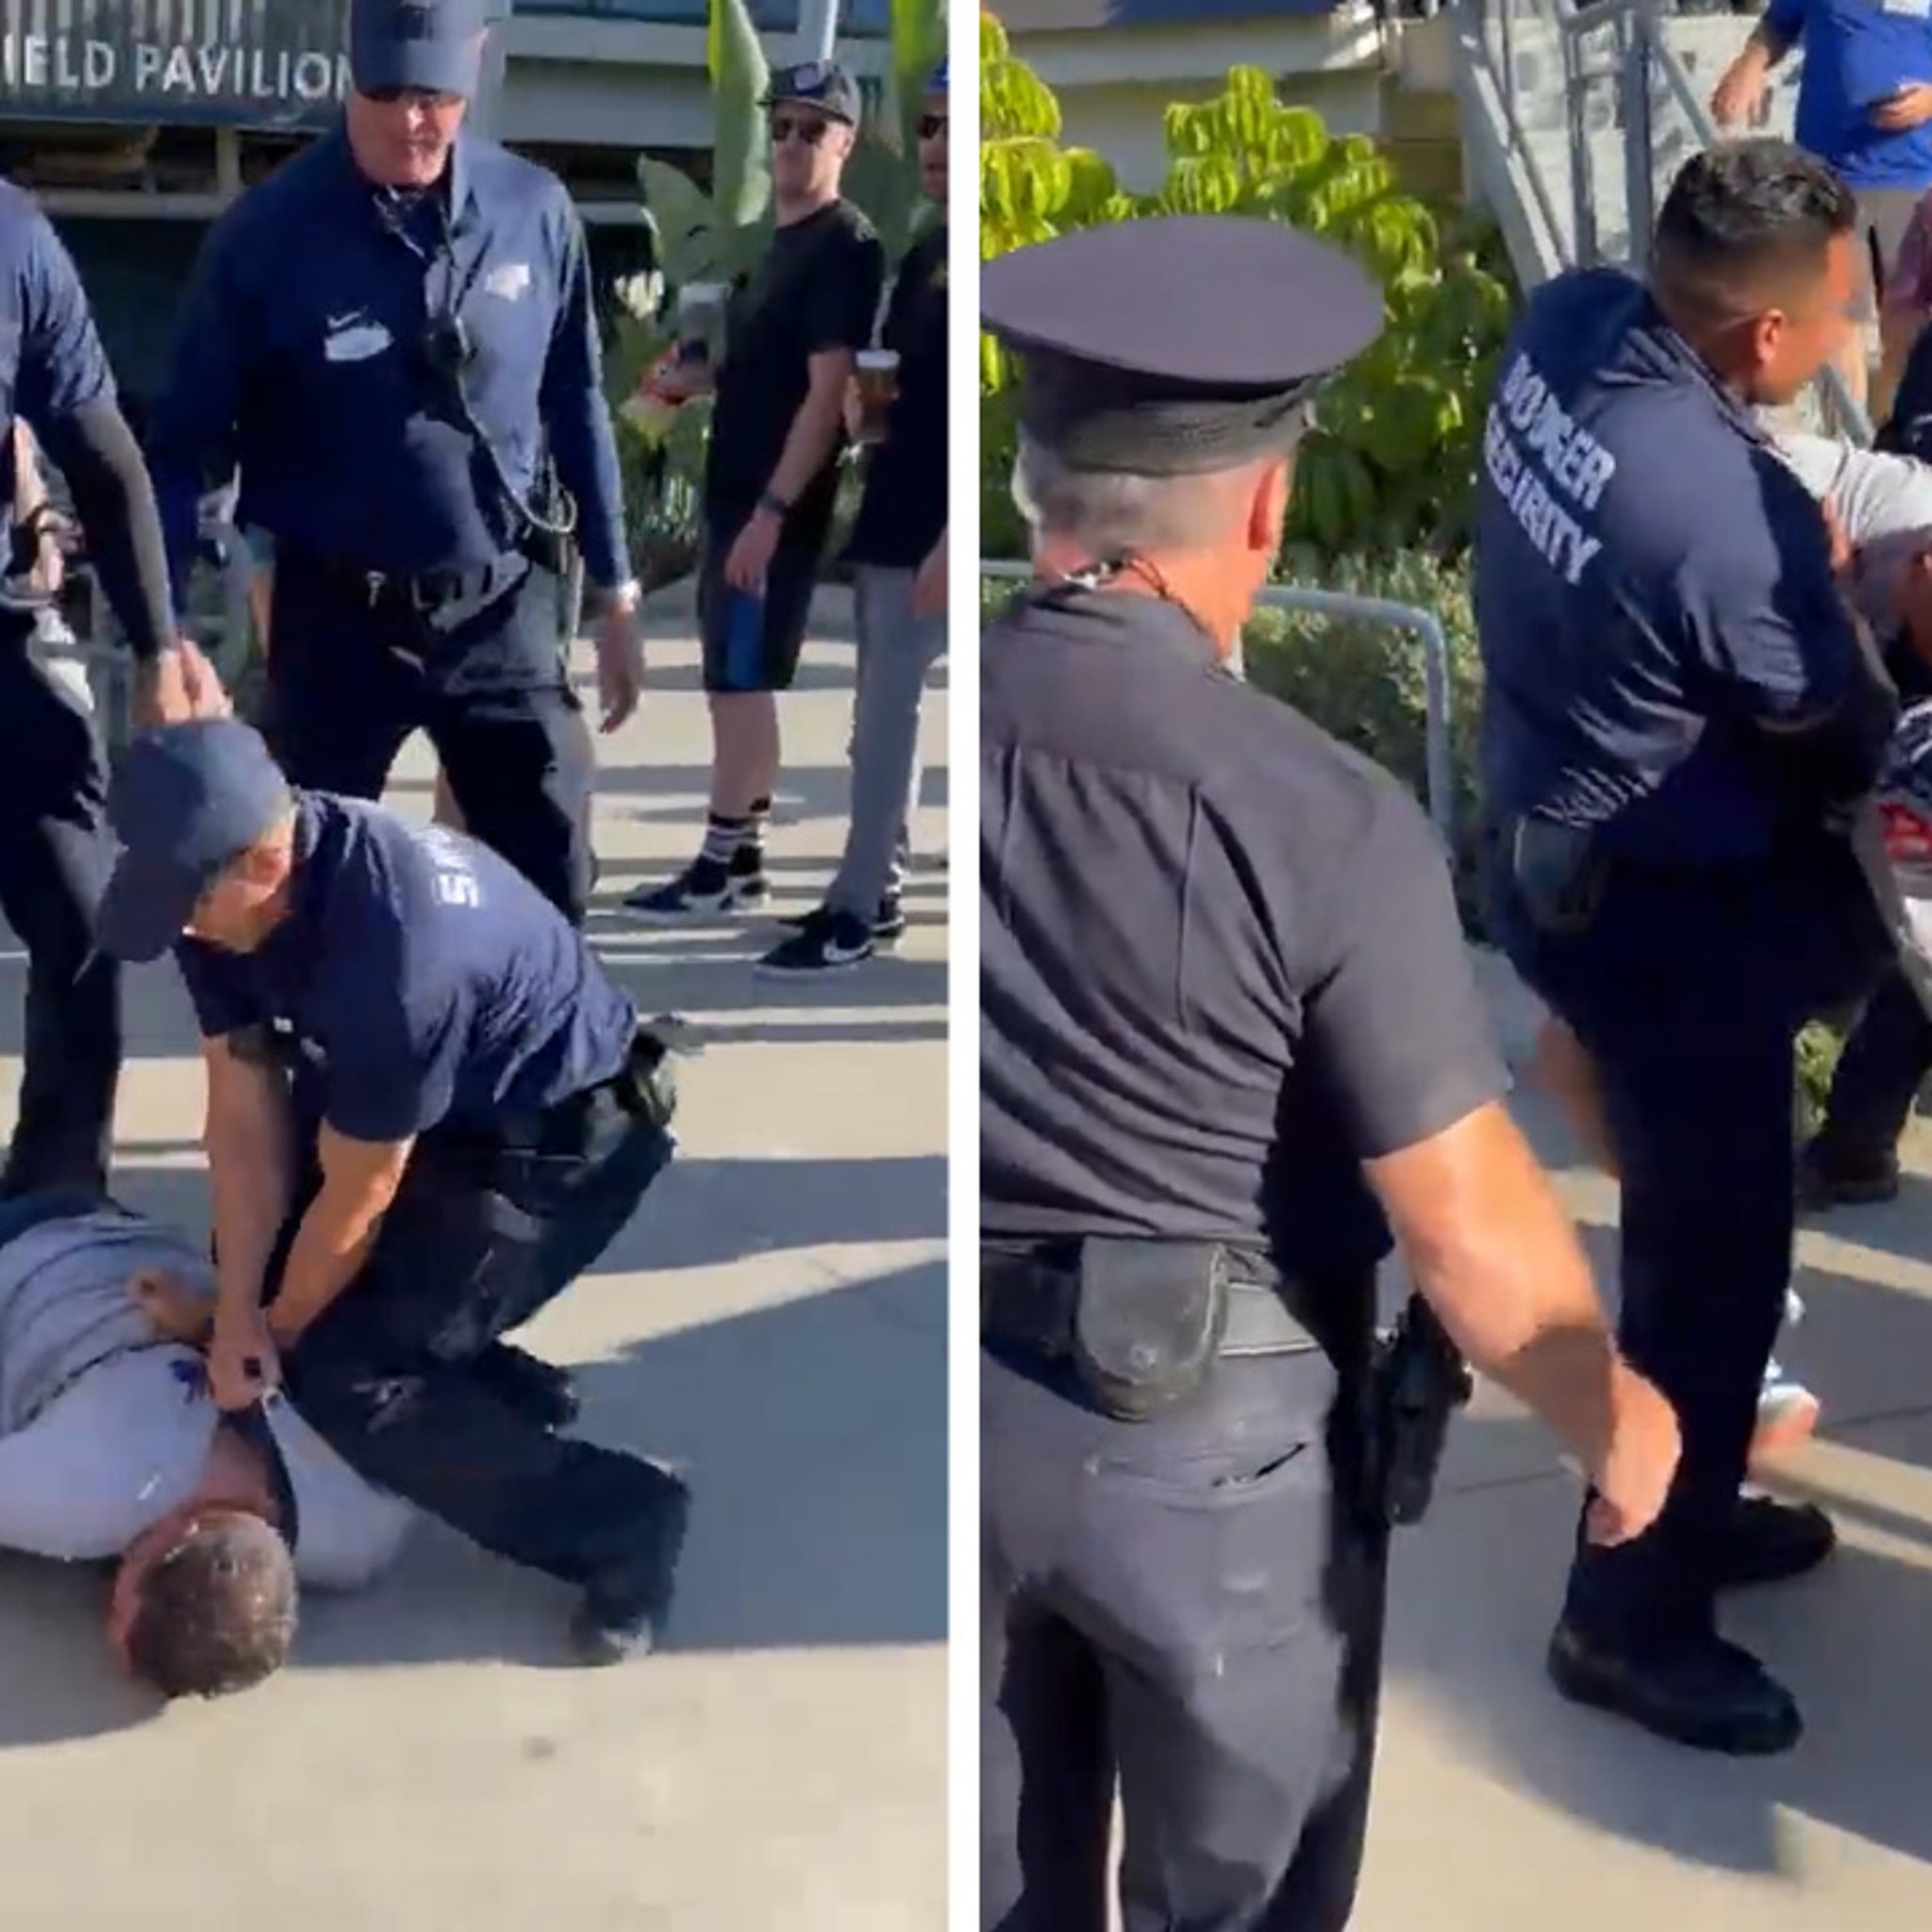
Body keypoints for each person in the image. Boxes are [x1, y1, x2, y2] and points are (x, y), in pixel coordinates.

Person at [981, 214, 1682, 1932]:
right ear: (1266, 509)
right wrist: (1621, 1415)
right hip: (1215, 1463)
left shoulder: (950, 720)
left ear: (1040, 493)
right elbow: (1463, 1232)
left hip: (967, 1413)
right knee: (1244, 1895)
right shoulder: (1319, 812)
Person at [1474, 141, 1906, 1757]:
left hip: (1552, 850)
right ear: (1768, 344)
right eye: (1842, 313)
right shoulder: (1723, 525)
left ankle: (1695, 1496)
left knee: (1692, 1241)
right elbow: (1838, 728)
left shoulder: (1567, 322)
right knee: (1703, 1281)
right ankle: (1624, 1610)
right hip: (1665, 926)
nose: (1858, 333)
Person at [94, 718, 691, 1667]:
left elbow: (360, 1190)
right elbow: (244, 1113)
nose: (176, 925)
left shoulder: (399, 955)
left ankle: (626, 1517)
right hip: (426, 1105)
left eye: (183, 902)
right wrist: (240, 1303)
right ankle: (490, 1374)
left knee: (349, 1374)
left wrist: (274, 1331)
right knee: (284, 1283)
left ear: (264, 856)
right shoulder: (215, 893)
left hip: (559, 1142)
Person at [143, 0, 642, 928]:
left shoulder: (533, 211)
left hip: (499, 606)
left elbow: (575, 401)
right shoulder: (265, 236)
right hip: (337, 622)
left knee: (551, 877)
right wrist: (173, 623)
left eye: (436, 93)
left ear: (475, 70)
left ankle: (533, 1065)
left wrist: (615, 588)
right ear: (349, 73)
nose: (414, 118)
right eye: (388, 91)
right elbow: (183, 446)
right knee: (303, 893)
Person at [0, 180, 225, 1204]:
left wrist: (157, 646)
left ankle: (58, 1179)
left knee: (80, 905)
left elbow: (101, 454)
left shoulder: (15, 239)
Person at [627, 61, 886, 922]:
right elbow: (759, 373)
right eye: (782, 126)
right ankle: (739, 859)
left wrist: (772, 516)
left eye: (813, 129)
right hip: (735, 494)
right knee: (727, 683)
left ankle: (721, 864)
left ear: (845, 143)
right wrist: (680, 382)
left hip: (771, 508)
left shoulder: (844, 247)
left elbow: (825, 396)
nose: (789, 143)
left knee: (742, 683)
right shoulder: (778, 246)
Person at [0, 1188, 415, 1701]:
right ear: (177, 1533)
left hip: (149, 1248)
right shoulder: (85, 1498)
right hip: (28, 1256)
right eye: (118, 1601)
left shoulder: (362, 1534)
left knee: (63, 1143)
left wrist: (208, 1324)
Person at [758, 61, 950, 976]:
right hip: (889, 510)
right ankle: (869, 888)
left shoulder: (984, 257)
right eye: (926, 128)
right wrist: (867, 415)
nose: (938, 148)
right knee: (876, 725)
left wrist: (955, 533)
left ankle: (859, 901)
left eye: (956, 128)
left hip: (929, 531)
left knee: (886, 726)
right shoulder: (922, 254)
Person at [1711, 0, 1932, 417]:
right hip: (1828, 180)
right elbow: (1777, 26)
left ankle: (1894, 443)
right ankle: (1848, 445)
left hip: (1912, 179)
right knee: (1837, 327)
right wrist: (1748, 68)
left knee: (1906, 331)